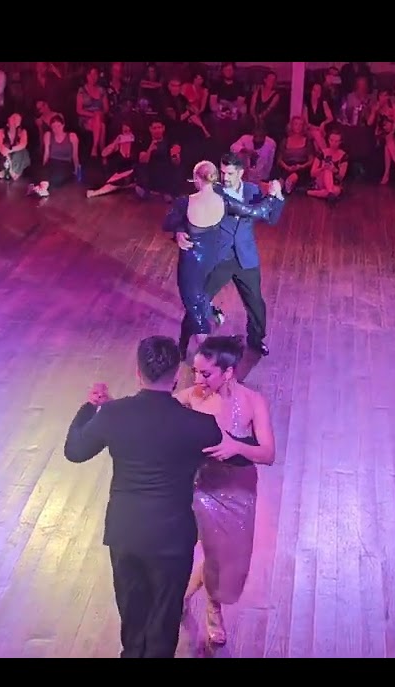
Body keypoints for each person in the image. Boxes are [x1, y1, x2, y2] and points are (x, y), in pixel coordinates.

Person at [62, 336, 225, 658]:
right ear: (178, 375)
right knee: (164, 619)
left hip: (126, 531)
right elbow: (233, 454)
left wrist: (90, 408)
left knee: (132, 614)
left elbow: (75, 451)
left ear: (138, 372)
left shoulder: (113, 415)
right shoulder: (202, 426)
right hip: (172, 537)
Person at [175, 336, 276, 646]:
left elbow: (268, 453)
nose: (198, 379)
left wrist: (236, 446)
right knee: (205, 551)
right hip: (200, 486)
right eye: (195, 371)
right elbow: (153, 414)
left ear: (228, 372)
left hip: (237, 490)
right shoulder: (190, 397)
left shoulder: (252, 401)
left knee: (225, 556)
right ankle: (208, 607)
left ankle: (192, 597)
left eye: (206, 373)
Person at [164, 161, 285, 357]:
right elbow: (186, 213)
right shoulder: (214, 192)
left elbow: (270, 218)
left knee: (255, 304)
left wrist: (277, 197)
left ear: (241, 172)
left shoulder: (252, 191)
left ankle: (256, 340)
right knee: (198, 302)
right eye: (222, 173)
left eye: (230, 173)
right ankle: (183, 342)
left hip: (246, 257)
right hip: (219, 258)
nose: (225, 177)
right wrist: (179, 232)